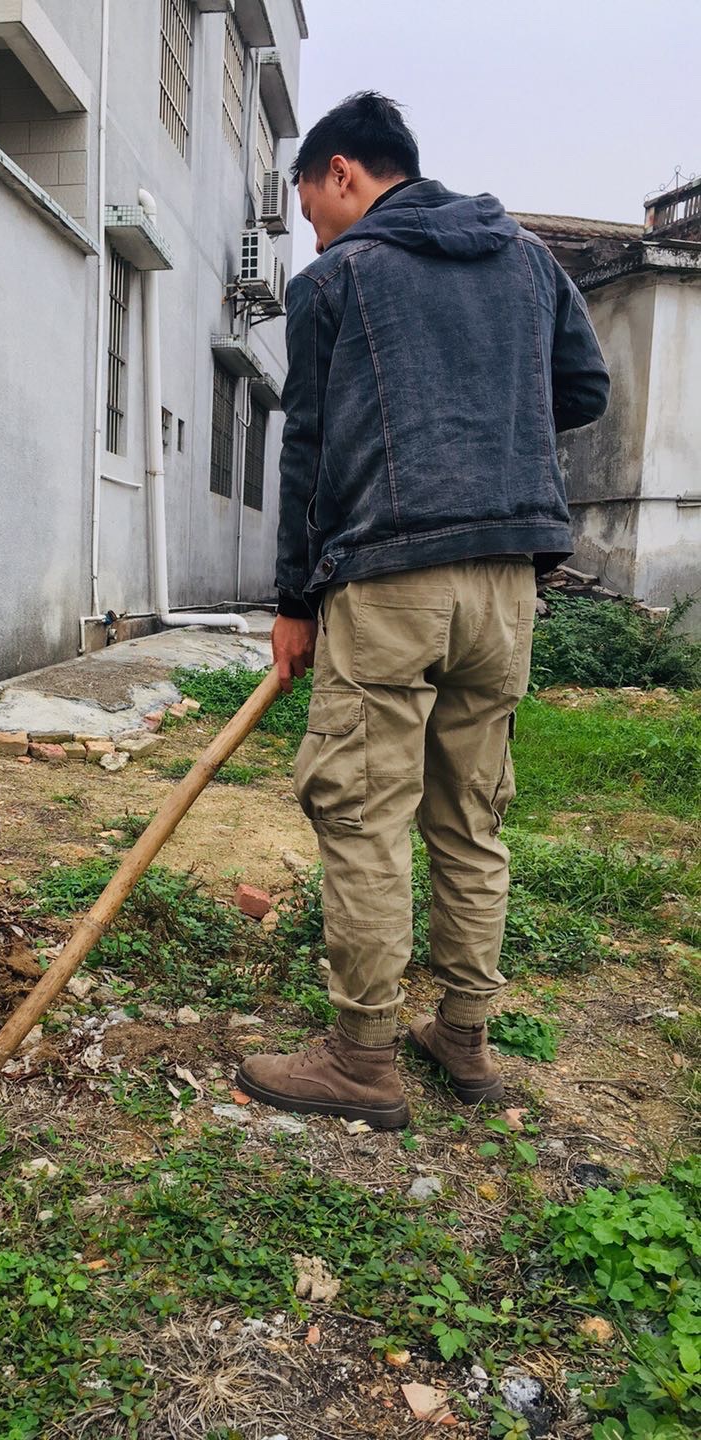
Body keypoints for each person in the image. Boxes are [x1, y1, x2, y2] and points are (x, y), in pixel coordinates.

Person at [236, 93, 609, 1129]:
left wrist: (293, 601)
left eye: (312, 207)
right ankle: (465, 1035)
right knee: (471, 814)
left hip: (389, 581)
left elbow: (305, 453)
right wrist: (494, 406)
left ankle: (361, 1059)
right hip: (506, 584)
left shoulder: (340, 280)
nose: (314, 229)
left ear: (344, 174)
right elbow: (583, 388)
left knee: (363, 813)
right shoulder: (530, 263)